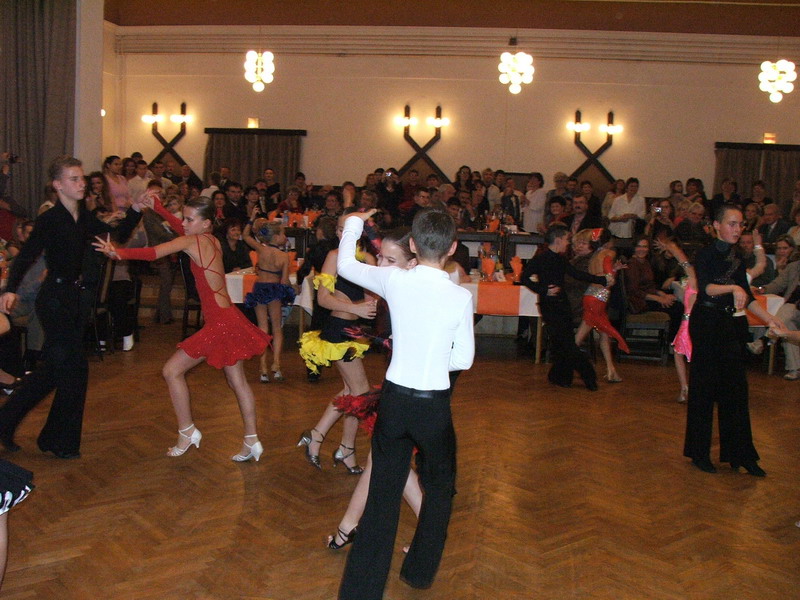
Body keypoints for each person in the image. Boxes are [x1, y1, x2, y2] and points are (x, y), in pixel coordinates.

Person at [337, 207, 474, 598]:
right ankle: (419, 571)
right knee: (440, 488)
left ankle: (361, 591)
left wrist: (354, 222)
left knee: (383, 492)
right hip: (433, 406)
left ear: (412, 244)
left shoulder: (395, 280)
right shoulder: (460, 296)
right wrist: (432, 359)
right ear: (452, 248)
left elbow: (346, 264)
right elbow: (463, 359)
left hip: (395, 402)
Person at [93, 193, 269, 462]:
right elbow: (181, 228)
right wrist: (159, 208)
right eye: (184, 218)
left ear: (205, 223)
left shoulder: (192, 241)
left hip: (219, 323)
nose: (184, 223)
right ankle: (252, 440)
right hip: (229, 317)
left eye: (189, 219)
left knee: (171, 371)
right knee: (238, 382)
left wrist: (118, 253)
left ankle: (187, 432)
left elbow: (154, 252)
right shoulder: (211, 239)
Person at [0, 155, 143, 458]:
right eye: (74, 179)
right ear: (58, 185)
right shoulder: (50, 220)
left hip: (74, 300)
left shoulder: (83, 217)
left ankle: (6, 423)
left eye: (82, 178)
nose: (82, 184)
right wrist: (10, 289)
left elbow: (115, 235)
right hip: (54, 300)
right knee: (75, 371)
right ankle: (59, 441)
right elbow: (26, 256)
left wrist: (136, 210)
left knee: (53, 371)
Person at [325, 227, 423, 551]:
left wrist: (354, 222)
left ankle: (350, 527)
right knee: (385, 459)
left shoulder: (405, 288)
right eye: (380, 257)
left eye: (390, 260)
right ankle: (348, 526)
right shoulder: (399, 284)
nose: (380, 264)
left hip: (412, 391)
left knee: (385, 457)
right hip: (402, 386)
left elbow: (345, 265)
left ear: (411, 262)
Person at [684, 204, 782, 476]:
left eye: (740, 225)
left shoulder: (737, 255)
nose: (737, 229)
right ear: (716, 225)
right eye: (732, 224)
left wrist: (770, 319)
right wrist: (734, 287)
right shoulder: (705, 254)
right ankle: (699, 453)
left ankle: (741, 455)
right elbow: (706, 288)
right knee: (704, 389)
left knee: (736, 390)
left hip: (728, 323)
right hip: (706, 323)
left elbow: (746, 295)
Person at [297, 211, 377, 474]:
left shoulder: (368, 259)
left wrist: (371, 303)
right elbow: (323, 299)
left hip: (355, 332)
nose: (342, 234)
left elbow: (373, 297)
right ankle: (338, 446)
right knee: (361, 391)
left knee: (351, 392)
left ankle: (329, 441)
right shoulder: (334, 256)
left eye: (347, 229)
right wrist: (356, 307)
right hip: (338, 330)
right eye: (340, 230)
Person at [518, 226, 611, 390]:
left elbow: (576, 274)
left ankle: (560, 376)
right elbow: (524, 277)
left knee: (563, 342)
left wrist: (602, 280)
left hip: (563, 304)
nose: (568, 243)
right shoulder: (541, 258)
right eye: (567, 239)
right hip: (549, 306)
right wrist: (544, 290)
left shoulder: (561, 259)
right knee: (565, 343)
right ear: (558, 240)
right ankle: (587, 376)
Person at [243, 214, 295, 383]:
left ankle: (263, 368)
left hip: (259, 288)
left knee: (262, 328)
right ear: (276, 237)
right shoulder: (284, 257)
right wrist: (294, 289)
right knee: (277, 328)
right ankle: (276, 365)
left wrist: (251, 219)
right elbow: (284, 281)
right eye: (282, 234)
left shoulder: (261, 249)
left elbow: (245, 235)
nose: (285, 236)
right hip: (274, 290)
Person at [574, 228, 629, 383]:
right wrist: (612, 273)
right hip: (598, 298)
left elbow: (600, 273)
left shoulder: (594, 256)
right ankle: (564, 365)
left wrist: (614, 269)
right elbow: (608, 278)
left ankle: (611, 370)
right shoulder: (608, 253)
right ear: (608, 241)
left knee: (604, 335)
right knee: (579, 337)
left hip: (591, 296)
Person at [654, 238, 697, 403]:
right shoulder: (706, 282)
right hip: (694, 321)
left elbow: (682, 260)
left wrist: (670, 246)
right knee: (682, 353)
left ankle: (686, 388)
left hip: (688, 322)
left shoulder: (694, 279)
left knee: (681, 353)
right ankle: (688, 388)